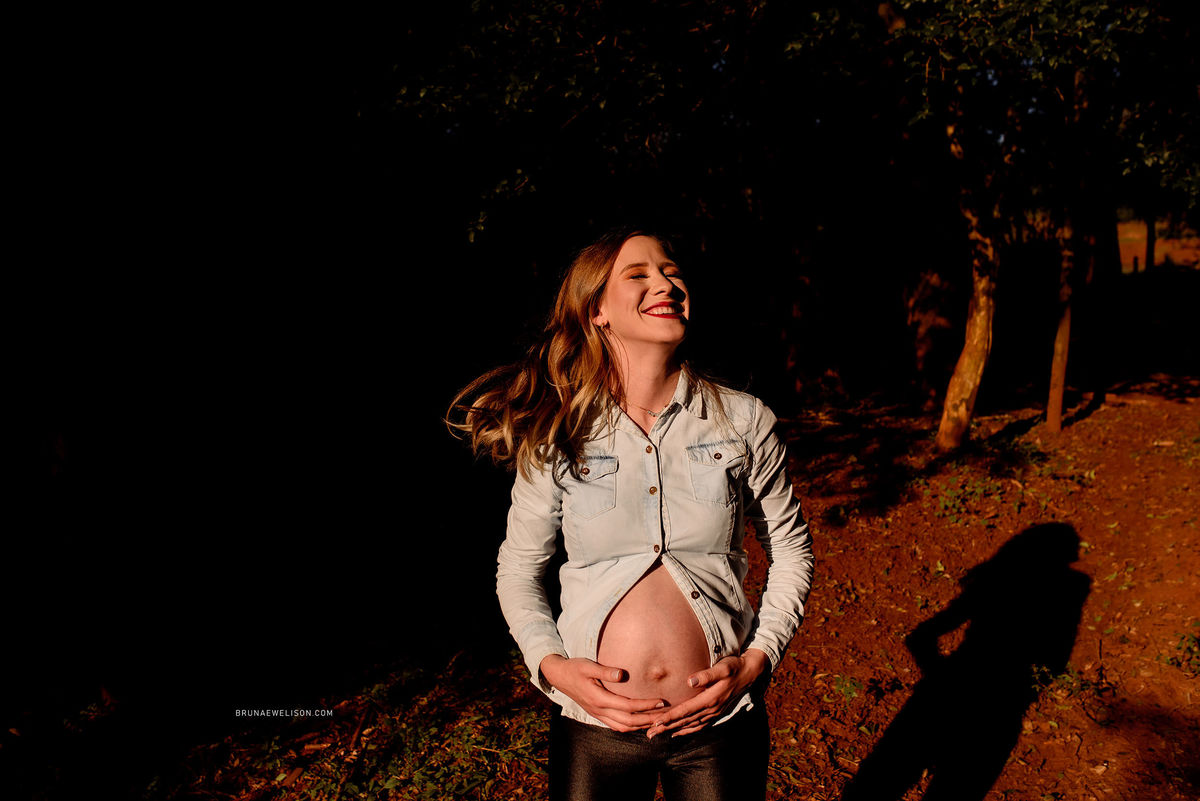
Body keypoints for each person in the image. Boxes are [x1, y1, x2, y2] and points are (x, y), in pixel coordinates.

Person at [448, 228, 814, 801]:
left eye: (671, 270)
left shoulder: (742, 420)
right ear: (596, 311)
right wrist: (552, 667)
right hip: (596, 730)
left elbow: (791, 549)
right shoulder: (558, 431)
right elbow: (518, 569)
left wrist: (757, 661)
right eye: (638, 275)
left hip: (716, 727)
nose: (665, 282)